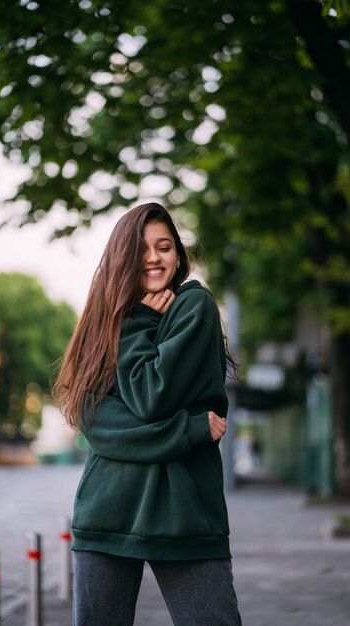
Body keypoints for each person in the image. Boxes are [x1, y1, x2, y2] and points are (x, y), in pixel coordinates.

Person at [53, 202, 242, 625]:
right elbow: (97, 424)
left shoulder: (193, 306)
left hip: (183, 514)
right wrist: (188, 429)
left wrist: (137, 322)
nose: (154, 258)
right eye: (141, 249)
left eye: (164, 246)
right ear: (122, 257)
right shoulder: (105, 323)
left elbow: (150, 395)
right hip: (107, 511)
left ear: (178, 256)